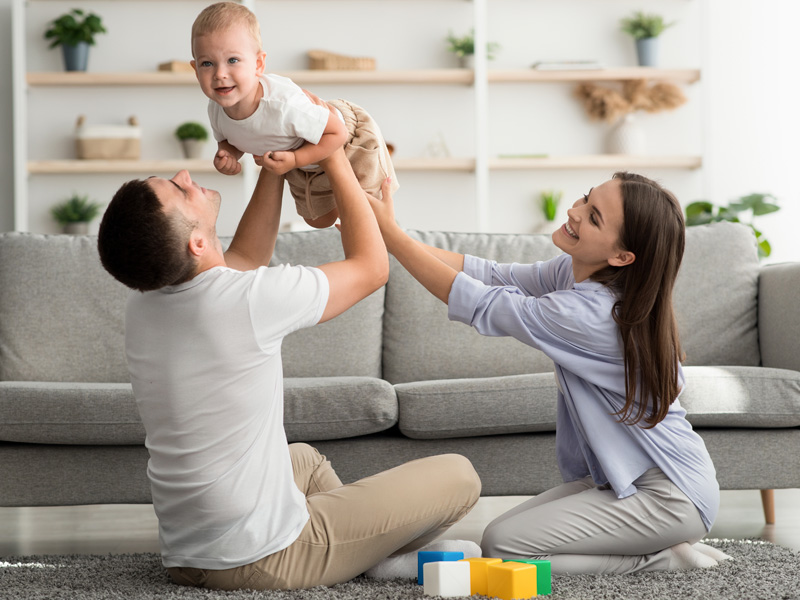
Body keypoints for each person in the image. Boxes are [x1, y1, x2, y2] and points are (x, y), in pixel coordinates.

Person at [96, 145, 480, 590]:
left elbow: (245, 258)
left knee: (305, 461)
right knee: (460, 475)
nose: (185, 174)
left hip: (188, 554)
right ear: (196, 243)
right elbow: (372, 269)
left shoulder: (146, 304)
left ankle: (363, 551)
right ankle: (368, 558)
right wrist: (334, 155)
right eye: (179, 190)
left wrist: (275, 168)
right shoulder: (246, 303)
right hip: (263, 557)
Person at [367, 171, 730, 575]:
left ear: (622, 256)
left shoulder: (591, 315)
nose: (573, 213)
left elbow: (481, 303)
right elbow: (492, 276)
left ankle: (659, 558)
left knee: (503, 544)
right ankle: (658, 549)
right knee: (502, 537)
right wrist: (391, 235)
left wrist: (392, 235)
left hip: (670, 495)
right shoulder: (574, 273)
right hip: (618, 480)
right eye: (585, 200)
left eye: (593, 218)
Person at [190, 1, 398, 229]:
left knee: (367, 217)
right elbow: (230, 138)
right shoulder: (216, 108)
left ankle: (381, 224)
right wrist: (228, 154)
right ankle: (337, 196)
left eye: (233, 60)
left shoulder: (282, 104)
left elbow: (337, 132)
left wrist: (296, 159)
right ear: (195, 69)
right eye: (207, 63)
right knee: (318, 221)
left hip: (342, 137)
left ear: (258, 64)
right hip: (298, 157)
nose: (220, 74)